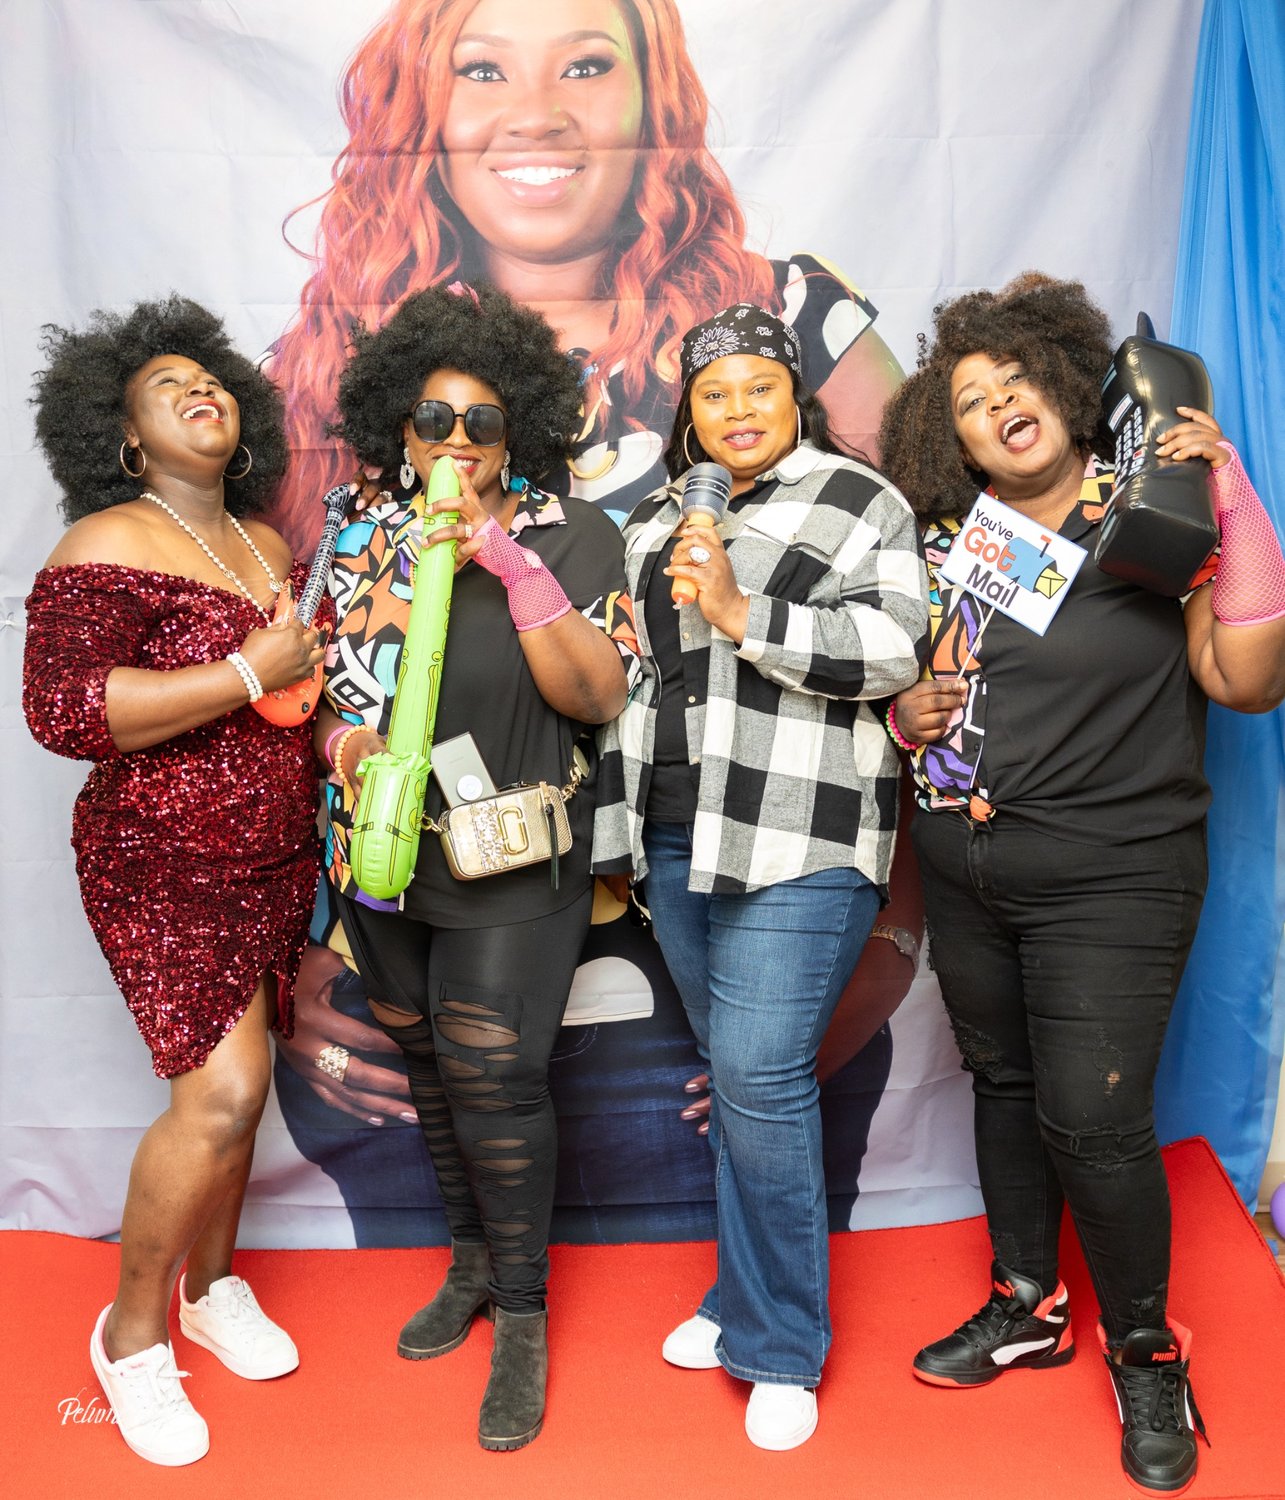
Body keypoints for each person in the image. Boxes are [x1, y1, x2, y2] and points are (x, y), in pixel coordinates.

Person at [876, 274, 1285, 1496]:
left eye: (1014, 380)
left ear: (1064, 388)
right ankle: (1026, 1301)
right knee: (1002, 1084)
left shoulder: (1151, 512)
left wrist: (1227, 489)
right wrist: (906, 716)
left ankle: (1145, 1349)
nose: (997, 406)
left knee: (1091, 1120)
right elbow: (948, 692)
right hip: (965, 864)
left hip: (1113, 873)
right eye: (969, 399)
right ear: (951, 438)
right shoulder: (961, 541)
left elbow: (1248, 683)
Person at [592, 303, 929, 1449]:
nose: (737, 410)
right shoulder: (657, 518)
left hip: (802, 830)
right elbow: (644, 675)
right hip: (677, 834)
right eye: (714, 393)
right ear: (687, 412)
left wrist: (742, 611)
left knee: (758, 1072)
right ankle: (739, 1292)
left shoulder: (857, 498)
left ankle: (781, 1342)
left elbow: (894, 650)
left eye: (759, 387)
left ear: (796, 397)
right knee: (738, 1080)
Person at [313, 281, 635, 1452]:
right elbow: (317, 691)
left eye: (483, 420)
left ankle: (527, 1316)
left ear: (517, 433)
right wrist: (342, 746)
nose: (458, 440)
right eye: (434, 419)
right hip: (382, 857)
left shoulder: (571, 533)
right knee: (430, 1067)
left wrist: (505, 562)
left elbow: (598, 695)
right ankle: (470, 1266)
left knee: (495, 1076)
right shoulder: (356, 541)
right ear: (400, 431)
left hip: (510, 858)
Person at [22, 296, 330, 1467]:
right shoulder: (102, 542)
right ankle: (133, 1337)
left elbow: (285, 706)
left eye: (211, 381)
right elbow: (64, 712)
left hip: (270, 854)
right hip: (159, 859)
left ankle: (211, 1288)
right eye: (167, 387)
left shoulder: (263, 545)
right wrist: (247, 669)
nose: (200, 391)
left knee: (244, 1094)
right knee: (222, 1093)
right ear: (124, 435)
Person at [267, 0, 904, 553]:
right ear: (417, 112)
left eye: (585, 67)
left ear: (654, 102)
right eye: (483, 70)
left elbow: (907, 554)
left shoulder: (793, 312)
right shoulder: (322, 361)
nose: (537, 116)